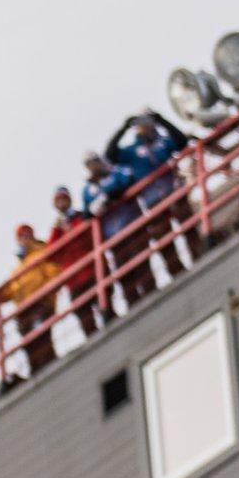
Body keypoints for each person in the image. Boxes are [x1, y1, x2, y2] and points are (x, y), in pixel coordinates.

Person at [106, 108, 199, 270]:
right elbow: (110, 154)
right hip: (153, 200)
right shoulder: (132, 151)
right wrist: (124, 127)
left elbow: (181, 141)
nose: (145, 126)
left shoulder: (162, 142)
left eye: (147, 122)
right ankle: (176, 270)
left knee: (189, 226)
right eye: (141, 124)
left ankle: (199, 255)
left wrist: (160, 119)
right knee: (164, 239)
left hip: (174, 192)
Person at [0, 224, 60, 382]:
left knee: (41, 338)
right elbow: (5, 294)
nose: (24, 239)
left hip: (41, 303)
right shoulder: (18, 269)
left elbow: (54, 273)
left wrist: (47, 295)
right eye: (21, 237)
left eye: (26, 235)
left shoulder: (41, 253)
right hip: (24, 311)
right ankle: (36, 373)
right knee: (29, 344)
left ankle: (51, 368)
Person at [82, 150, 153, 309]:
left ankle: (151, 292)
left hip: (132, 225)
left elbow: (127, 182)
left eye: (95, 162)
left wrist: (108, 196)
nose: (93, 166)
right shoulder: (88, 189)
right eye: (89, 164)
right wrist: (94, 209)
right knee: (123, 271)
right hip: (113, 237)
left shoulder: (115, 173)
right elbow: (86, 214)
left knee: (142, 262)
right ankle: (133, 304)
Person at [48, 188, 109, 337]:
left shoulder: (81, 217)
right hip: (74, 281)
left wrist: (71, 229)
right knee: (85, 318)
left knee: (106, 307)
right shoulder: (57, 230)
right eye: (58, 201)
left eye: (64, 199)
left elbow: (91, 236)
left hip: (93, 271)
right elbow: (50, 255)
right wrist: (58, 230)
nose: (62, 203)